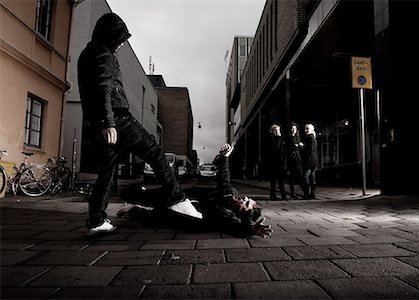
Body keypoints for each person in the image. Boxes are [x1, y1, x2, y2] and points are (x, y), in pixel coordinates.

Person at [78, 12, 202, 237]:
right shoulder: (103, 55)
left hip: (99, 121)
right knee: (154, 151)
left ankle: (96, 220)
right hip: (116, 119)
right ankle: (177, 199)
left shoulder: (88, 53)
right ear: (110, 36)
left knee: (107, 171)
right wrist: (109, 122)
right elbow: (104, 89)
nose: (122, 44)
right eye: (121, 39)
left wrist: (103, 122)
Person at [117, 143, 273, 238]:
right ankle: (135, 194)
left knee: (157, 217)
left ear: (240, 213)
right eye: (247, 198)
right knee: (134, 195)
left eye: (246, 204)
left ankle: (132, 210)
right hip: (180, 195)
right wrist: (225, 157)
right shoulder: (230, 193)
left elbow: (233, 227)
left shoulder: (226, 215)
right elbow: (224, 178)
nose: (244, 198)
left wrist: (251, 229)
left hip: (180, 212)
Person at [268, 124, 287, 200]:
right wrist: (279, 138)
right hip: (274, 162)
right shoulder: (271, 138)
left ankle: (283, 195)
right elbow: (276, 147)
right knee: (273, 180)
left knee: (281, 180)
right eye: (276, 130)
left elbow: (284, 150)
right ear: (272, 131)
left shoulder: (281, 138)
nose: (277, 132)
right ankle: (273, 195)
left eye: (278, 130)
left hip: (280, 162)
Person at [285, 122, 304, 199]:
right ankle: (292, 193)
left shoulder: (297, 137)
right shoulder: (288, 137)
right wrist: (296, 145)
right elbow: (288, 148)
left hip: (298, 159)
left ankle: (306, 192)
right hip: (291, 159)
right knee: (291, 177)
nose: (293, 130)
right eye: (292, 129)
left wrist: (299, 145)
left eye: (295, 129)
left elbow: (301, 146)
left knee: (300, 176)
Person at [302, 123, 319, 199]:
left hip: (310, 161)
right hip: (314, 161)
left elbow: (310, 151)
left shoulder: (310, 138)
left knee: (305, 177)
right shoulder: (313, 138)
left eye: (307, 129)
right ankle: (312, 194)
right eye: (305, 129)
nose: (305, 130)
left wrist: (302, 147)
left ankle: (306, 194)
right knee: (312, 178)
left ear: (311, 130)